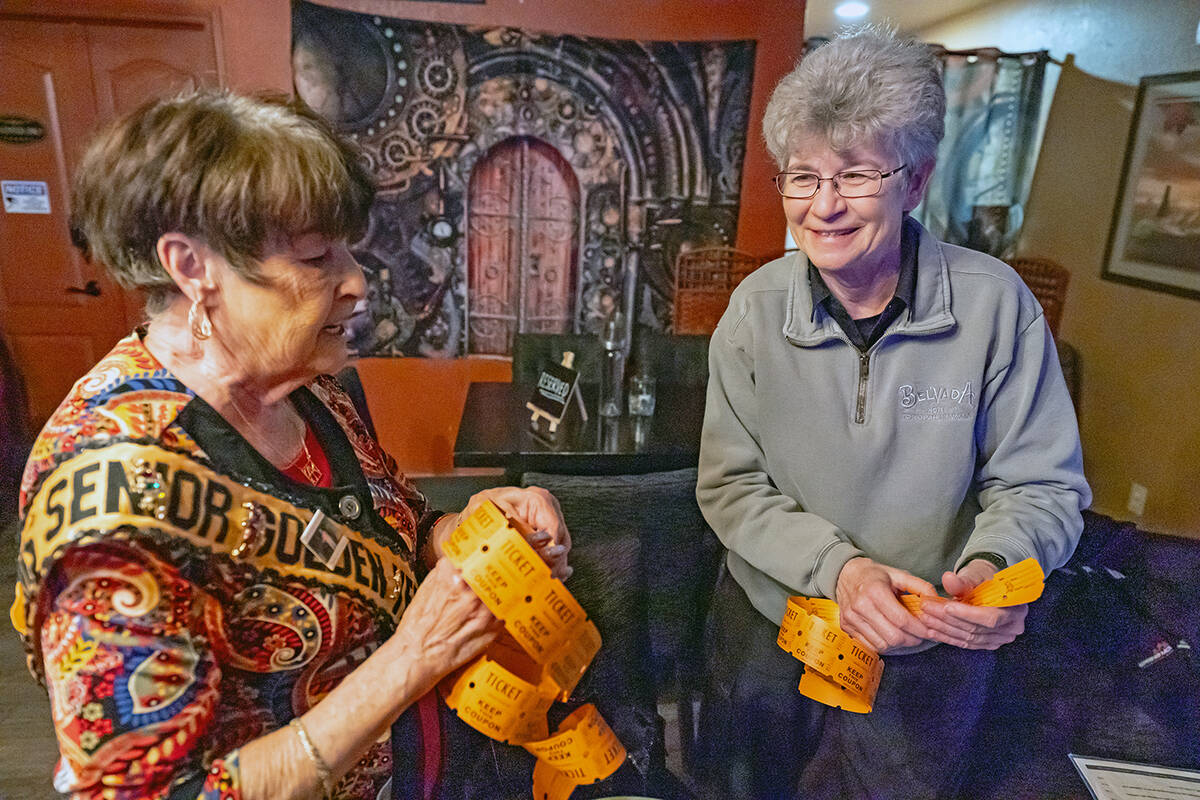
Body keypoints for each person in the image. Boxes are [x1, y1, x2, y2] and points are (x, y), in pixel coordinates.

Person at [13, 89, 571, 800]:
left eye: (346, 250)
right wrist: (415, 656)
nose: (357, 283)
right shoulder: (115, 492)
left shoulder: (306, 385)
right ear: (193, 267)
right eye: (315, 258)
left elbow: (398, 527)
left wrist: (478, 532)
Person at [694, 27, 1090, 799]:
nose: (825, 207)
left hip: (925, 656)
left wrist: (996, 570)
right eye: (802, 177)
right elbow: (731, 487)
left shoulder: (995, 308)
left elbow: (1042, 488)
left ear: (916, 181)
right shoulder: (753, 310)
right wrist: (837, 570)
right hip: (768, 632)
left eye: (857, 174)